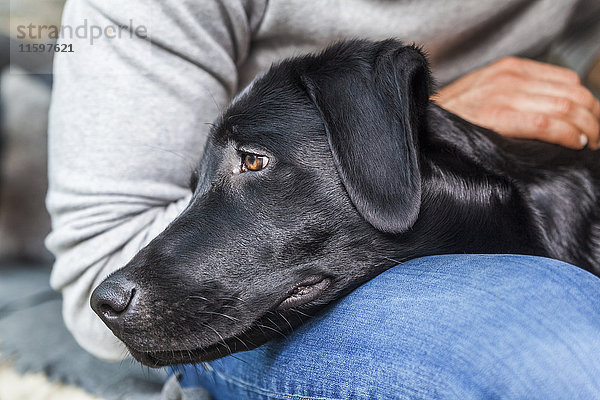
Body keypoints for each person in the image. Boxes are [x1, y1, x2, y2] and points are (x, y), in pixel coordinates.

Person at [47, 0, 600, 398]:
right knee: (557, 346)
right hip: (256, 308)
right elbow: (101, 266)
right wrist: (406, 123)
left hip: (511, 202)